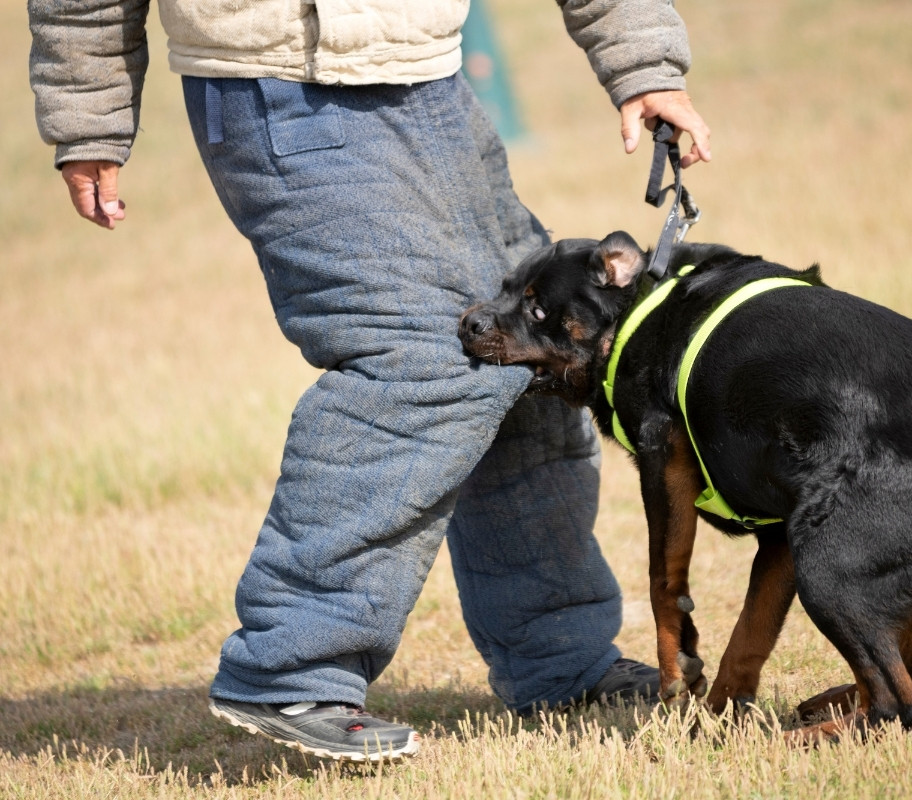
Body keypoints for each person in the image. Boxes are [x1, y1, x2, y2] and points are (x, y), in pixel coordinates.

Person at [29, 0, 712, 762]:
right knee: (418, 362)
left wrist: (642, 60)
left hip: (428, 80)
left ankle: (560, 661)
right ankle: (291, 668)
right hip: (277, 84)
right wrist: (88, 113)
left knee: (531, 356)